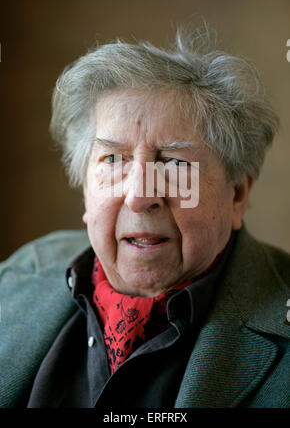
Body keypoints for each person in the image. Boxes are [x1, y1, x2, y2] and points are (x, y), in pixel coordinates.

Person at [0, 27, 289, 409]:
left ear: (237, 195)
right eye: (113, 159)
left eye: (174, 162)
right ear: (86, 187)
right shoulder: (19, 274)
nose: (139, 197)